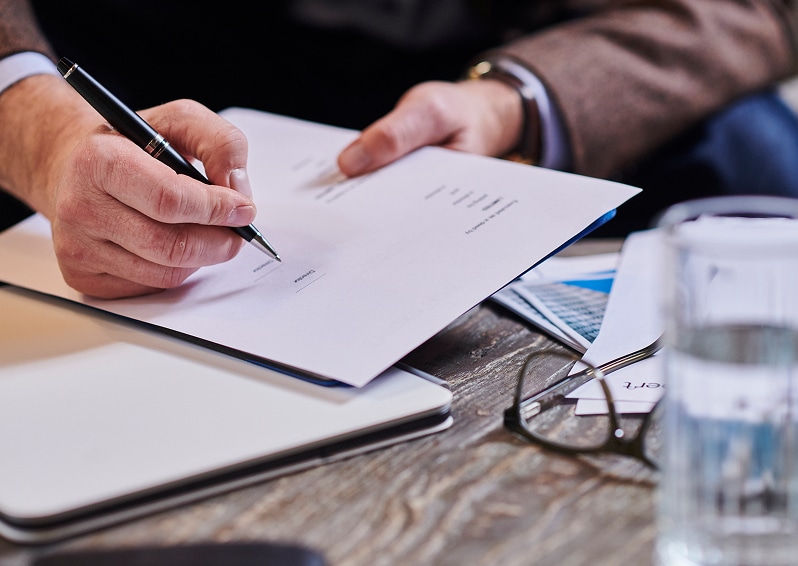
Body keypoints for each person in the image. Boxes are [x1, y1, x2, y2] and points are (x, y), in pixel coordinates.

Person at [1, 0, 797, 298]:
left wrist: (513, 100)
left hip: (500, 49)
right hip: (121, 44)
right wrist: (39, 132)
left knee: (757, 160)